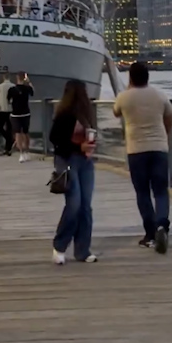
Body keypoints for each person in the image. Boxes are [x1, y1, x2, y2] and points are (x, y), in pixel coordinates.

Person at [113, 61, 172, 254]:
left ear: (130, 77)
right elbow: (169, 114)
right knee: (161, 191)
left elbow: (115, 112)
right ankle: (162, 226)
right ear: (148, 76)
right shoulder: (159, 95)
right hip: (159, 148)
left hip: (136, 150)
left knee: (142, 193)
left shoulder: (124, 97)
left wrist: (130, 89)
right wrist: (164, 133)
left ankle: (149, 234)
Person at [49, 79, 98, 264]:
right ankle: (60, 245)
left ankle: (82, 250)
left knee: (86, 206)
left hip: (85, 161)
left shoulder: (86, 114)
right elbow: (55, 138)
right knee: (74, 204)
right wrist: (79, 146)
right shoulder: (65, 115)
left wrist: (89, 145)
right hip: (67, 160)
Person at [7, 72, 35, 162]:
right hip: (26, 113)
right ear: (24, 78)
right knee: (26, 133)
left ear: (17, 78)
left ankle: (21, 153)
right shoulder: (27, 88)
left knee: (17, 133)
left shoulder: (12, 89)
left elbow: (8, 100)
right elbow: (33, 92)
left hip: (15, 113)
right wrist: (29, 82)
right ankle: (27, 152)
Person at [0, 73, 15, 156]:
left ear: (3, 77)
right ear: (10, 77)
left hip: (2, 110)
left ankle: (8, 144)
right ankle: (9, 147)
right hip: (11, 110)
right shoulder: (13, 86)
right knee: (9, 129)